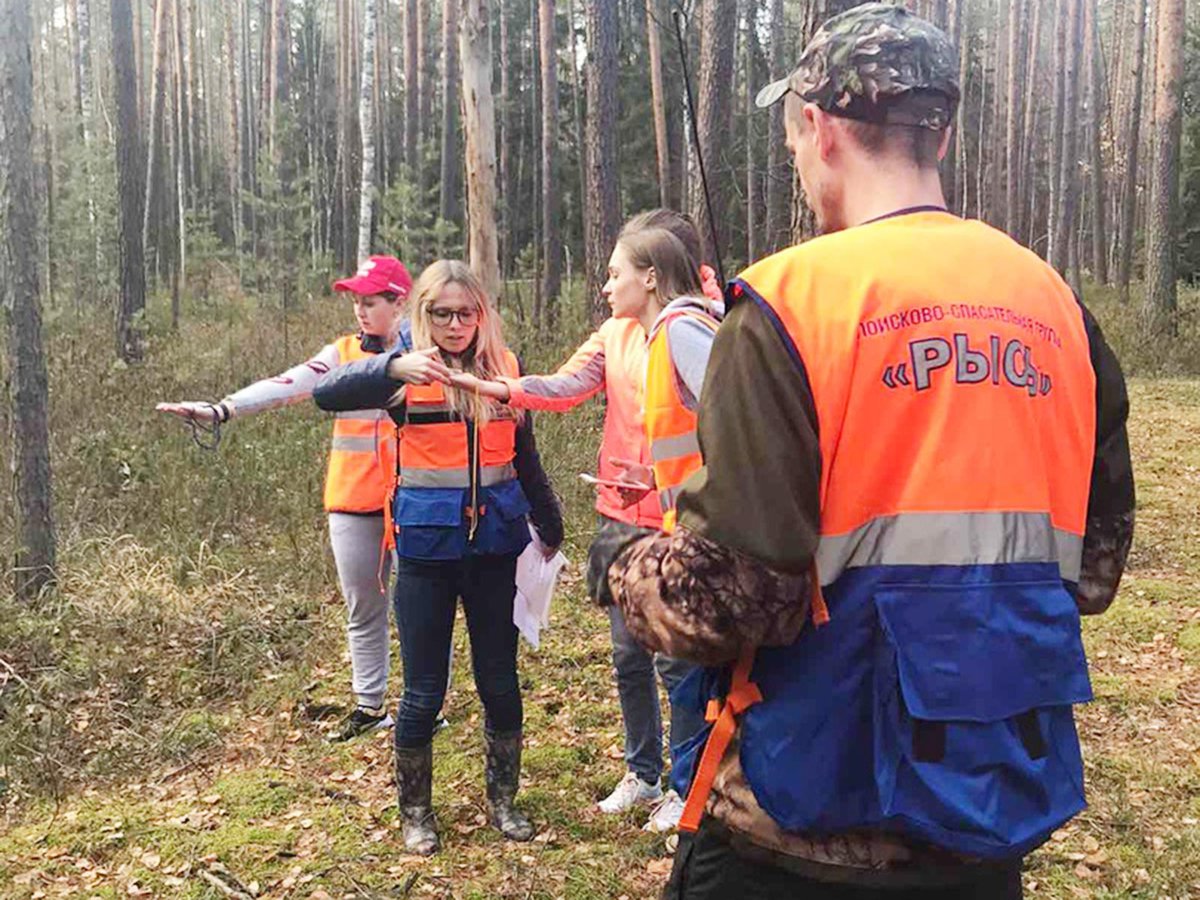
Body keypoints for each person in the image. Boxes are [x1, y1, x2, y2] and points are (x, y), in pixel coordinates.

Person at [608, 5, 1135, 898]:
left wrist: (620, 568)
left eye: (793, 135)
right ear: (943, 132)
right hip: (988, 817)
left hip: (804, 820)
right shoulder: (1058, 309)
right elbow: (1093, 573)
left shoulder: (787, 306)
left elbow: (733, 604)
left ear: (816, 128)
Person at [451, 210, 720, 833]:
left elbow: (729, 415)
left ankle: (689, 784)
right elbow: (568, 384)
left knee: (678, 661)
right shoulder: (618, 329)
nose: (606, 283)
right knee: (628, 656)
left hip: (682, 519)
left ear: (656, 269)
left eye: (616, 269)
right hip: (618, 515)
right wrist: (499, 390)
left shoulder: (697, 321)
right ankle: (643, 772)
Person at [312, 260, 563, 856]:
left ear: (482, 315)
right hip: (425, 553)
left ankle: (503, 800)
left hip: (494, 549)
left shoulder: (505, 369)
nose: (455, 326)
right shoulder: (402, 372)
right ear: (423, 314)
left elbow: (523, 454)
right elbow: (326, 392)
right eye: (442, 314)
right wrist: (392, 363)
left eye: (466, 313)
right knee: (423, 690)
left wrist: (550, 523)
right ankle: (416, 812)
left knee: (498, 681)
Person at [156, 255, 417, 742]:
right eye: (356, 301)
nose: (361, 310)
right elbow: (290, 383)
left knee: (420, 609)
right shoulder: (341, 353)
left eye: (372, 301)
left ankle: (426, 706)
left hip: (417, 500)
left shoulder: (425, 354)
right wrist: (224, 409)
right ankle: (369, 707)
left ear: (400, 303)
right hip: (352, 500)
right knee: (363, 607)